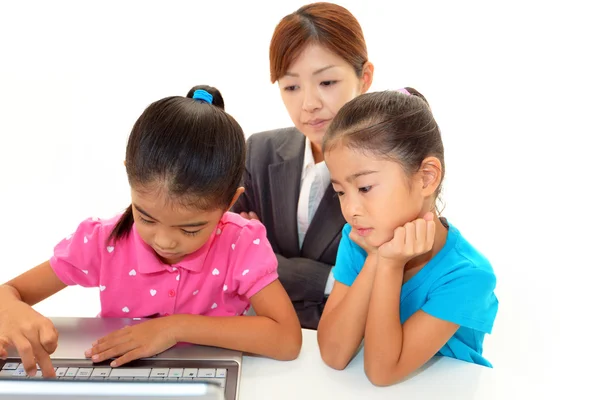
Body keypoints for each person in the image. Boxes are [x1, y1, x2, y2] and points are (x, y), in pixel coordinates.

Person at [0, 86, 302, 378]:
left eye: (190, 229)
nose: (164, 241)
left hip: (206, 380)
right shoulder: (102, 241)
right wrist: (11, 310)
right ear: (129, 174)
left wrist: (174, 327)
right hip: (115, 377)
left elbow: (287, 339)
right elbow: (9, 293)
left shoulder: (241, 243)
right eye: (145, 217)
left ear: (229, 203)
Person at [317, 88, 499, 386]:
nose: (350, 210)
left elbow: (382, 372)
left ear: (427, 177)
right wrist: (376, 257)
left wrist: (388, 265)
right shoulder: (359, 238)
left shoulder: (468, 275)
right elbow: (334, 354)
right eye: (340, 192)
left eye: (364, 188)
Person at [231, 2, 374, 329]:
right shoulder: (259, 150)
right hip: (261, 342)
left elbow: (383, 280)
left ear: (364, 78)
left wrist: (263, 260)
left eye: (326, 83)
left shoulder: (388, 167)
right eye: (291, 87)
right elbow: (217, 250)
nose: (309, 104)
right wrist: (332, 279)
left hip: (350, 349)